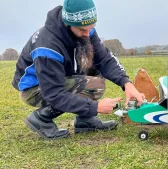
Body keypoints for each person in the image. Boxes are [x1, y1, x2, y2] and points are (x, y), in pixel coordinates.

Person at [11, 0, 145, 140]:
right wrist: (95, 107)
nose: (88, 33)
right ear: (68, 24)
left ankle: (85, 121)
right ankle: (41, 118)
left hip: (57, 78)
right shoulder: (47, 46)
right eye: (83, 30)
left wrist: (127, 84)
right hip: (34, 89)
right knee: (88, 85)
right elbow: (54, 93)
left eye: (91, 28)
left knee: (95, 79)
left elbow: (104, 59)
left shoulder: (85, 29)